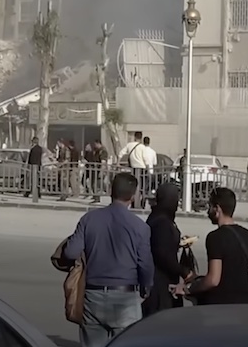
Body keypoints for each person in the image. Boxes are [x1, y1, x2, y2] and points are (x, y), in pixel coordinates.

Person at [61, 172, 152, 347]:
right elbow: (145, 265)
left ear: (110, 191)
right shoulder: (140, 227)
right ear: (133, 196)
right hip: (126, 297)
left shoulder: (89, 219)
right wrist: (146, 287)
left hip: (93, 296)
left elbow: (71, 252)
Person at [177, 187, 248, 305]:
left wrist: (189, 289)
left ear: (217, 209)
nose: (208, 211)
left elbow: (213, 280)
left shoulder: (215, 237)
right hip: (243, 303)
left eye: (210, 207)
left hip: (219, 303)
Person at [142, 183, 190, 317]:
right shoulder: (162, 222)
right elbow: (162, 255)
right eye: (176, 200)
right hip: (160, 285)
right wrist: (184, 271)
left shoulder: (159, 217)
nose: (177, 204)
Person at [83, 140, 107, 204]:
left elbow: (103, 162)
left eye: (95, 144)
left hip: (99, 170)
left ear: (98, 143)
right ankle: (95, 196)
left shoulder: (102, 151)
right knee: (93, 183)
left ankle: (97, 198)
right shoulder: (97, 150)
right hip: (94, 170)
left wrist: (101, 171)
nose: (94, 146)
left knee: (96, 184)